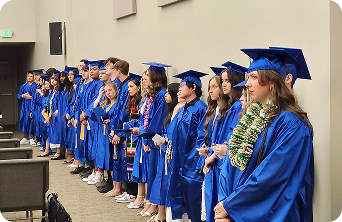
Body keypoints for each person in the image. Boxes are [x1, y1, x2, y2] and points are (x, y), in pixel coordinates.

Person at [214, 48, 314, 222]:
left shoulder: (292, 123)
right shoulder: (252, 117)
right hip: (239, 206)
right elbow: (233, 163)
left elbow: (272, 174)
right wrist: (226, 202)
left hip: (274, 210)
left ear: (272, 82)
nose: (247, 84)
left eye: (253, 77)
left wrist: (233, 207)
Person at [129, 63, 169, 217]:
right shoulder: (152, 96)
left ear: (155, 78)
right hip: (151, 139)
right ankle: (150, 203)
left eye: (146, 77)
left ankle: (154, 206)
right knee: (150, 173)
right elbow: (148, 119)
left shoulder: (161, 96)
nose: (144, 81)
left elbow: (158, 122)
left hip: (156, 140)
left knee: (155, 173)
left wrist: (146, 137)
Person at [168, 70, 208, 222]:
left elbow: (201, 138)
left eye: (182, 85)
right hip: (179, 160)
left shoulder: (200, 109)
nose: (179, 89)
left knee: (193, 199)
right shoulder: (183, 108)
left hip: (192, 163)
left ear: (193, 88)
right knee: (179, 193)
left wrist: (196, 163)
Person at [195, 71, 230, 222]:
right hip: (211, 161)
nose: (210, 90)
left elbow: (226, 141)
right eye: (210, 87)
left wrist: (212, 154)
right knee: (209, 200)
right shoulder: (212, 111)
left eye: (215, 86)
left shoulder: (228, 112)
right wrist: (205, 149)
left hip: (220, 163)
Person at [150, 82, 181, 222]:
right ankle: (161, 215)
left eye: (169, 93)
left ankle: (164, 216)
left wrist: (165, 140)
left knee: (167, 183)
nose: (166, 95)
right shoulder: (169, 111)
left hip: (172, 153)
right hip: (165, 152)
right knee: (161, 183)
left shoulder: (178, 111)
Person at [17, 70, 39, 145]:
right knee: (24, 120)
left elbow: (37, 98)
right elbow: (19, 95)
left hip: (31, 105)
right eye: (28, 76)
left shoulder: (35, 86)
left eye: (31, 76)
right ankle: (25, 137)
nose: (29, 78)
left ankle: (31, 137)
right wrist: (23, 96)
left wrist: (31, 97)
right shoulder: (23, 86)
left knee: (31, 121)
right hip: (24, 106)